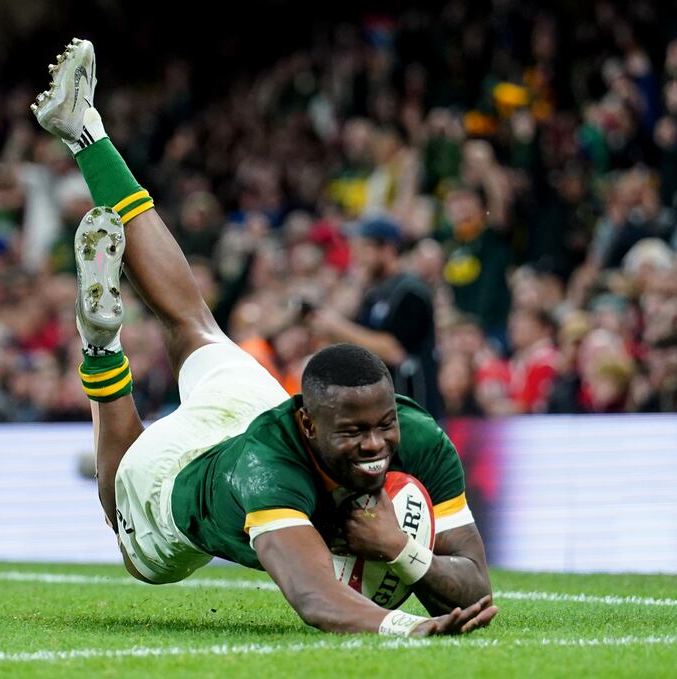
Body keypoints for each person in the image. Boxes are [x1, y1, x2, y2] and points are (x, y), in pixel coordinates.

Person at [31, 39, 497, 637]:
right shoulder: (266, 472)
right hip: (176, 477)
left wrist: (404, 550)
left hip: (249, 405)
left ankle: (86, 131)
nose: (376, 445)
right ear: (307, 422)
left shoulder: (417, 438)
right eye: (355, 433)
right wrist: (407, 627)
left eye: (382, 424)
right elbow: (312, 596)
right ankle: (101, 346)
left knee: (192, 321)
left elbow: (476, 585)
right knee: (124, 522)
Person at [308, 217, 443, 418]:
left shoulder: (410, 293)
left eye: (363, 247)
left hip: (413, 414)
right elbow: (352, 341)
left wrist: (336, 325)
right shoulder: (372, 293)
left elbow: (394, 350)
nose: (356, 255)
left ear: (387, 249)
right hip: (379, 412)